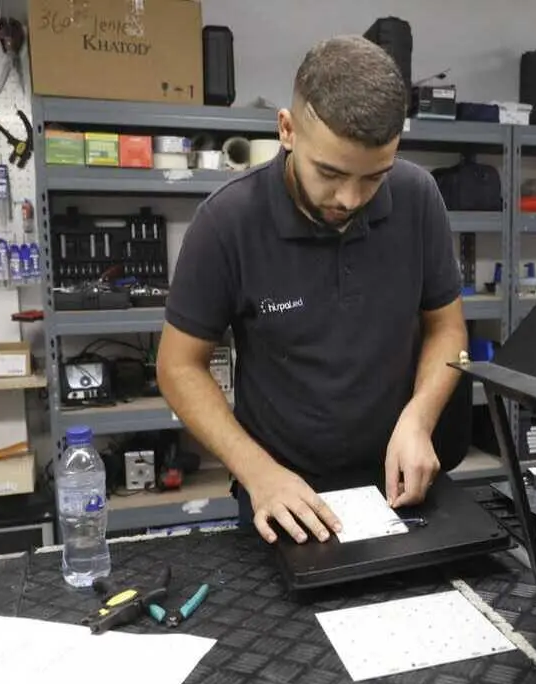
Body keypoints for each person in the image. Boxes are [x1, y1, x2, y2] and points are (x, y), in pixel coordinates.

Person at [157, 36, 467, 545]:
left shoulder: (417, 198)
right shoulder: (227, 222)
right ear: (287, 130)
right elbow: (177, 366)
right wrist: (256, 472)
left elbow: (446, 326)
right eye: (330, 173)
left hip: (399, 484)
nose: (350, 199)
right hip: (283, 492)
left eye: (374, 178)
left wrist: (419, 419)